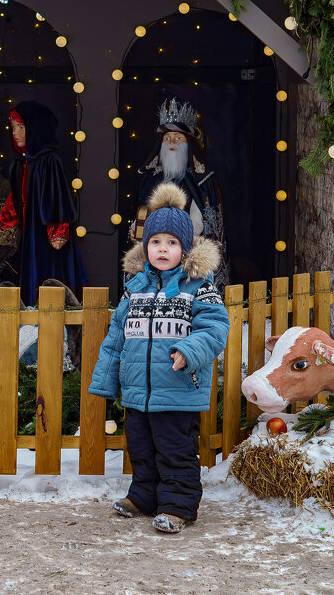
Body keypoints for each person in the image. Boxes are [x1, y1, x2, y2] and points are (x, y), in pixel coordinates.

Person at [88, 182, 228, 534]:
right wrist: (105, 380)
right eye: (155, 242)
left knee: (174, 451)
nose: (162, 249)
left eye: (171, 243)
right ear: (145, 246)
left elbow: (215, 329)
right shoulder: (135, 288)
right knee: (141, 448)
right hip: (138, 391)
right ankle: (144, 497)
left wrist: (188, 350)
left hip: (177, 389)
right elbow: (116, 337)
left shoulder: (199, 287)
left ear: (185, 248)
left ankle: (177, 506)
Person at [0, 100, 85, 305]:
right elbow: (15, 199)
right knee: (28, 273)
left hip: (46, 234)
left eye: (21, 127)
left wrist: (58, 229)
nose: (15, 132)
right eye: (13, 127)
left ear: (35, 129)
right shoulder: (21, 164)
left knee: (48, 274)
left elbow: (57, 197)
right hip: (29, 233)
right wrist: (1, 225)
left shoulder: (49, 161)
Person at [132, 98, 229, 287]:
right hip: (152, 252)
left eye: (178, 139)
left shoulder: (201, 180)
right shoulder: (151, 178)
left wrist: (171, 236)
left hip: (186, 253)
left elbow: (200, 224)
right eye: (167, 139)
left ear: (188, 143)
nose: (172, 143)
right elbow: (141, 215)